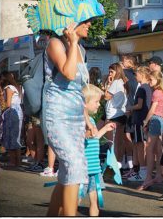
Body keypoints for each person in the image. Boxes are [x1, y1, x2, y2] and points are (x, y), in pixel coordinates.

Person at [43, 21, 95, 216]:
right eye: (84, 20)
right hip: (57, 114)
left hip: (75, 116)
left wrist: (87, 119)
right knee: (73, 165)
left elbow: (79, 91)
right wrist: (72, 42)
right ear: (70, 22)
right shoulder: (56, 44)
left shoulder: (81, 48)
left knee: (67, 171)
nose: (89, 23)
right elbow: (69, 73)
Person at [79, 84, 116, 216]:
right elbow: (80, 139)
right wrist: (86, 134)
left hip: (94, 169)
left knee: (94, 201)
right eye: (96, 101)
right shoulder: (80, 122)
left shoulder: (93, 121)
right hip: (82, 169)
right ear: (85, 104)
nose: (99, 105)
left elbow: (94, 138)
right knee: (75, 199)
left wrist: (105, 129)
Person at [137, 70, 163, 191]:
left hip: (155, 120)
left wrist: (145, 121)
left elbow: (153, 109)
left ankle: (149, 177)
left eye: (151, 80)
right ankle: (159, 175)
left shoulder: (156, 92)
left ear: (158, 80)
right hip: (161, 120)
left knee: (149, 149)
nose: (149, 82)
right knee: (158, 150)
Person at [125, 66, 151, 182]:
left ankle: (142, 171)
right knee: (138, 145)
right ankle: (137, 170)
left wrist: (129, 107)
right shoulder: (148, 88)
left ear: (143, 75)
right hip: (142, 119)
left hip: (139, 119)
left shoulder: (141, 89)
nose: (135, 76)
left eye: (137, 74)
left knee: (140, 146)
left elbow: (139, 105)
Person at [104, 63, 128, 168]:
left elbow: (106, 96)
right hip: (121, 113)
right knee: (119, 141)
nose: (110, 74)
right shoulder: (123, 82)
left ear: (117, 72)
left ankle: (114, 164)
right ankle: (119, 162)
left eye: (111, 72)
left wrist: (108, 84)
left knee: (112, 142)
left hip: (113, 114)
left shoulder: (116, 82)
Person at [0, 71, 23, 167]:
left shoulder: (8, 88)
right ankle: (18, 162)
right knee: (16, 138)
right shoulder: (18, 87)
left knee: (10, 137)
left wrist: (1, 110)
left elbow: (8, 104)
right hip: (18, 111)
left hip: (11, 113)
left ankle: (13, 161)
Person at [120, 54, 139, 174]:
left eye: (122, 61)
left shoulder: (125, 73)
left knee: (126, 137)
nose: (120, 63)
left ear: (129, 62)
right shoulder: (134, 74)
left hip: (128, 107)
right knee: (130, 136)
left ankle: (131, 163)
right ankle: (129, 162)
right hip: (133, 106)